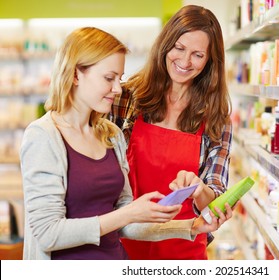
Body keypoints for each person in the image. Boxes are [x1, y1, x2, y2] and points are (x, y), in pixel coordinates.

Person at [20, 26, 232, 260]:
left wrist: (190, 227)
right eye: (109, 78)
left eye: (118, 79)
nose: (118, 89)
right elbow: (47, 233)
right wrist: (129, 213)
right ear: (76, 74)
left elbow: (126, 220)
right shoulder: (43, 135)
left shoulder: (110, 135)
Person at [109, 5, 233, 260]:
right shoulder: (126, 99)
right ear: (165, 44)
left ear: (210, 60)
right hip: (123, 245)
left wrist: (201, 191)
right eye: (179, 48)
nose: (185, 62)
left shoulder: (216, 119)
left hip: (183, 250)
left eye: (198, 54)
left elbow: (216, 195)